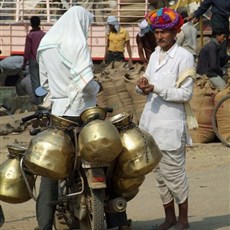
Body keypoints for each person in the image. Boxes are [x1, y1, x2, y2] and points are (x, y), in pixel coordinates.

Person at [35, 6, 130, 230]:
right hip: (83, 113)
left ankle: (44, 224)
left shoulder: (45, 45)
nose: (85, 30)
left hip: (59, 115)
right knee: (108, 157)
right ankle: (119, 220)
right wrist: (97, 87)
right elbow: (86, 83)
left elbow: (44, 86)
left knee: (50, 169)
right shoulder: (75, 43)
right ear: (80, 23)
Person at [137, 8, 196, 230]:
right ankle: (169, 218)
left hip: (171, 126)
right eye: (157, 32)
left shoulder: (184, 56)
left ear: (175, 32)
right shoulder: (154, 56)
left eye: (165, 32)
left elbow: (185, 94)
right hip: (151, 125)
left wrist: (157, 88)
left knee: (175, 175)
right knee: (160, 177)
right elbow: (146, 83)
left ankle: (183, 220)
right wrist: (142, 86)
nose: (160, 36)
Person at [185, 0, 230, 65]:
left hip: (225, 20)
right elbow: (203, 7)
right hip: (217, 20)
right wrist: (193, 15)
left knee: (224, 42)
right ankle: (217, 63)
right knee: (219, 42)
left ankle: (220, 62)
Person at [23, 16, 45, 105]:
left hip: (33, 60)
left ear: (31, 24)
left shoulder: (30, 36)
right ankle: (44, 100)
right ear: (39, 23)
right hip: (43, 60)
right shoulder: (44, 35)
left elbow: (27, 51)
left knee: (35, 82)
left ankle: (39, 103)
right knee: (43, 81)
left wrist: (24, 64)